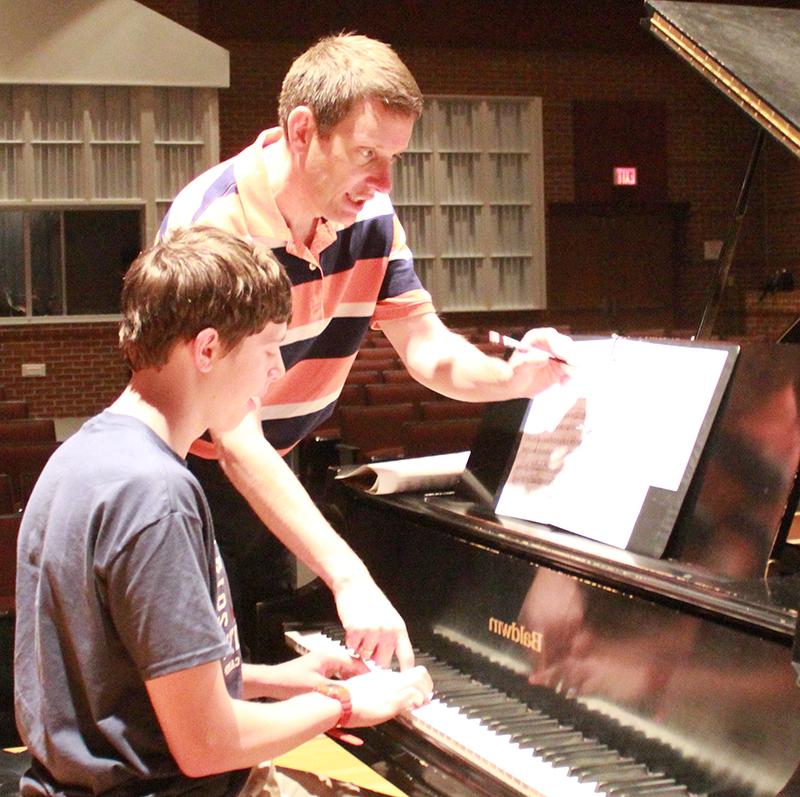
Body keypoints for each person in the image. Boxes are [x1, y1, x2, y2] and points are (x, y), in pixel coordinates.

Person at [159, 32, 574, 669]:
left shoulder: (370, 217)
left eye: (394, 158)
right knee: (209, 686)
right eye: (366, 154)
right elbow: (234, 439)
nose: (382, 181)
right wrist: (350, 578)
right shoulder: (219, 225)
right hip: (188, 478)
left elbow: (427, 348)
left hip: (273, 463)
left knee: (263, 657)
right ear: (303, 131)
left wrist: (514, 378)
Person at [14, 226, 433, 797]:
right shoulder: (156, 495)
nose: (277, 373)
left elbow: (117, 675)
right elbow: (207, 742)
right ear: (207, 348)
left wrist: (271, 681)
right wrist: (342, 703)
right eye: (268, 350)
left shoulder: (82, 456)